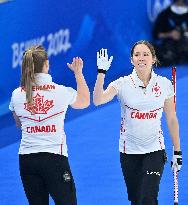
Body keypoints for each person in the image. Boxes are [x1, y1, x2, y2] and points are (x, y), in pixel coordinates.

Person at [93, 41, 182, 205]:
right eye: (137, 55)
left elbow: (171, 118)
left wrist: (177, 151)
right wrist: (101, 73)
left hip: (155, 149)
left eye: (146, 54)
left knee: (148, 198)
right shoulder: (121, 84)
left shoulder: (164, 84)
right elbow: (98, 100)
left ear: (154, 59)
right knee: (136, 200)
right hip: (129, 152)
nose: (141, 58)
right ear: (131, 60)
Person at [9, 45, 90, 205]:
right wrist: (78, 74)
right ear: (46, 64)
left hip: (27, 160)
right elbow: (84, 101)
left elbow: (19, 123)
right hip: (54, 159)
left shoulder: (16, 94)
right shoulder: (61, 92)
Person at [152, 0, 188, 66]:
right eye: (178, 2)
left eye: (182, 2)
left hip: (184, 45)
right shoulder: (164, 15)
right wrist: (170, 34)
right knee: (168, 56)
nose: (180, 4)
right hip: (169, 45)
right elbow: (156, 34)